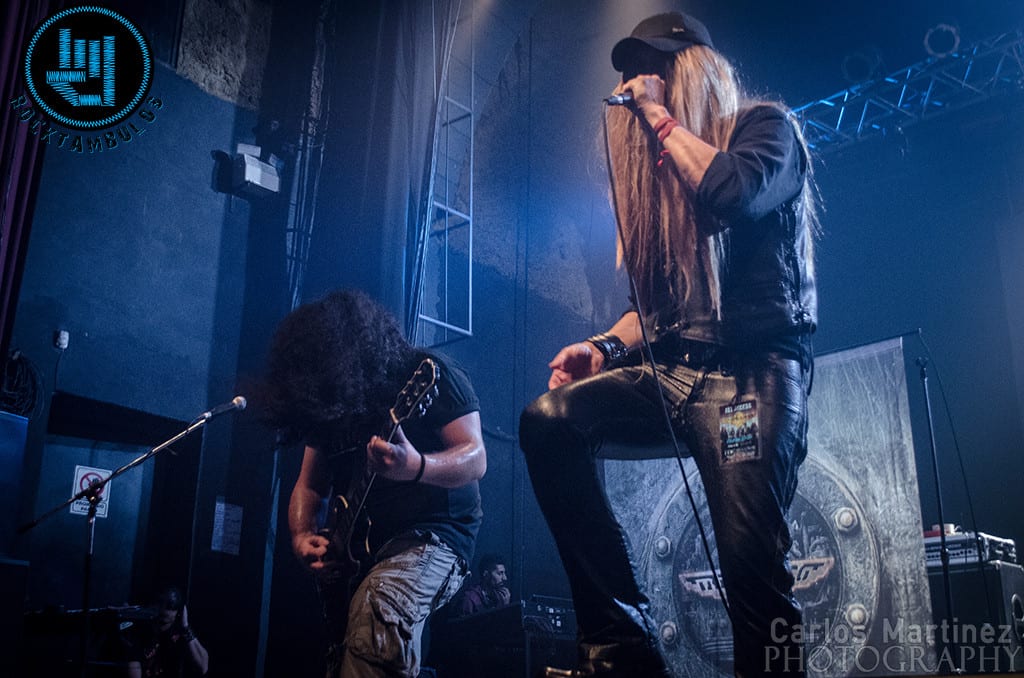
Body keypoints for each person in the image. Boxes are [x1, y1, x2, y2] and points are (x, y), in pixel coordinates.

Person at [519, 11, 818, 678]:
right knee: (550, 422)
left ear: (696, 72)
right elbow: (651, 313)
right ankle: (622, 646)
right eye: (633, 77)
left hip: (749, 380)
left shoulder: (765, 130)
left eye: (655, 71)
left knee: (748, 565)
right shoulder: (661, 182)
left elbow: (732, 192)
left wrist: (657, 118)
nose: (638, 86)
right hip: (676, 374)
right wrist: (603, 348)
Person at [261, 289, 486, 677]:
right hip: (362, 552)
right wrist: (302, 536)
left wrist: (416, 465)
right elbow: (310, 486)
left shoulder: (427, 371)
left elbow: (475, 456)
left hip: (434, 535)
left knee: (381, 607)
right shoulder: (329, 402)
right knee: (346, 653)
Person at [121, 586, 210, 677]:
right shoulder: (141, 632)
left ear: (179, 613)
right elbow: (133, 666)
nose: (159, 625)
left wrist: (186, 627)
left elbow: (203, 667)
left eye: (164, 622)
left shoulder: (181, 633)